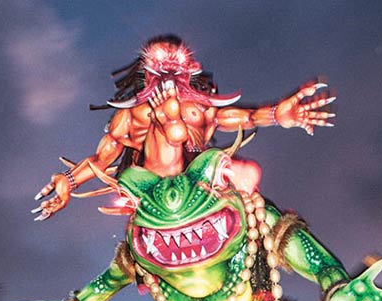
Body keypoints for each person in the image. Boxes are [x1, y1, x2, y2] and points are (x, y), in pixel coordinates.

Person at [32, 34, 334, 219]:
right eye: (162, 73)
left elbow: (240, 118)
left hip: (203, 184)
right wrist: (69, 183)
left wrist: (275, 115)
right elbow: (102, 159)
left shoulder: (201, 111)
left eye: (175, 73)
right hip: (153, 193)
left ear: (188, 74)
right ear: (147, 75)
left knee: (254, 206)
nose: (169, 80)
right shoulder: (133, 116)